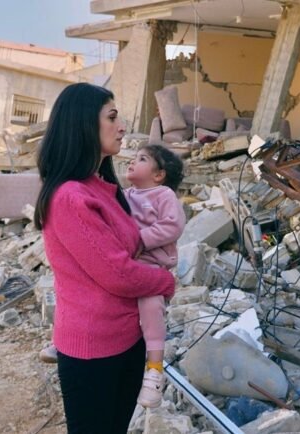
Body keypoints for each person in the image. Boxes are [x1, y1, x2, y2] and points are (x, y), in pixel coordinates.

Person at [34, 83, 175, 433]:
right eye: (112, 117)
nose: (123, 125)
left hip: (126, 340)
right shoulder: (70, 197)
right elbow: (119, 274)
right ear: (82, 124)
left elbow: (135, 246)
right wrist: (166, 281)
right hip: (93, 350)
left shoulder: (104, 189)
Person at [124, 144, 185, 408]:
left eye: (141, 158)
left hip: (152, 264)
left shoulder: (163, 195)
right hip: (126, 262)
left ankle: (154, 369)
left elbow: (173, 225)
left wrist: (140, 240)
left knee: (150, 307)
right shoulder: (124, 194)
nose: (131, 161)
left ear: (159, 175)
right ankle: (63, 341)